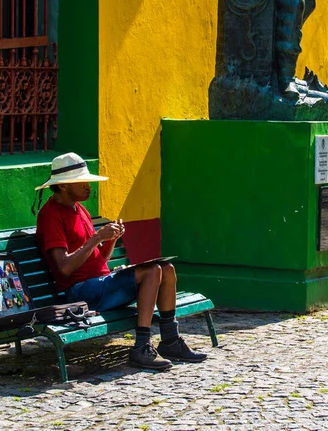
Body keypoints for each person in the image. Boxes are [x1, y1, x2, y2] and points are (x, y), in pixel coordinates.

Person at [35, 152, 207, 371]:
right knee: (153, 270)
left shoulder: (80, 210)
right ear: (63, 186)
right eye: (82, 182)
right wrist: (97, 237)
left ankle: (170, 340)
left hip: (100, 283)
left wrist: (110, 240)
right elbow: (65, 267)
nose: (88, 186)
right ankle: (141, 347)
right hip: (78, 294)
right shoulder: (50, 215)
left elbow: (99, 260)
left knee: (167, 268)